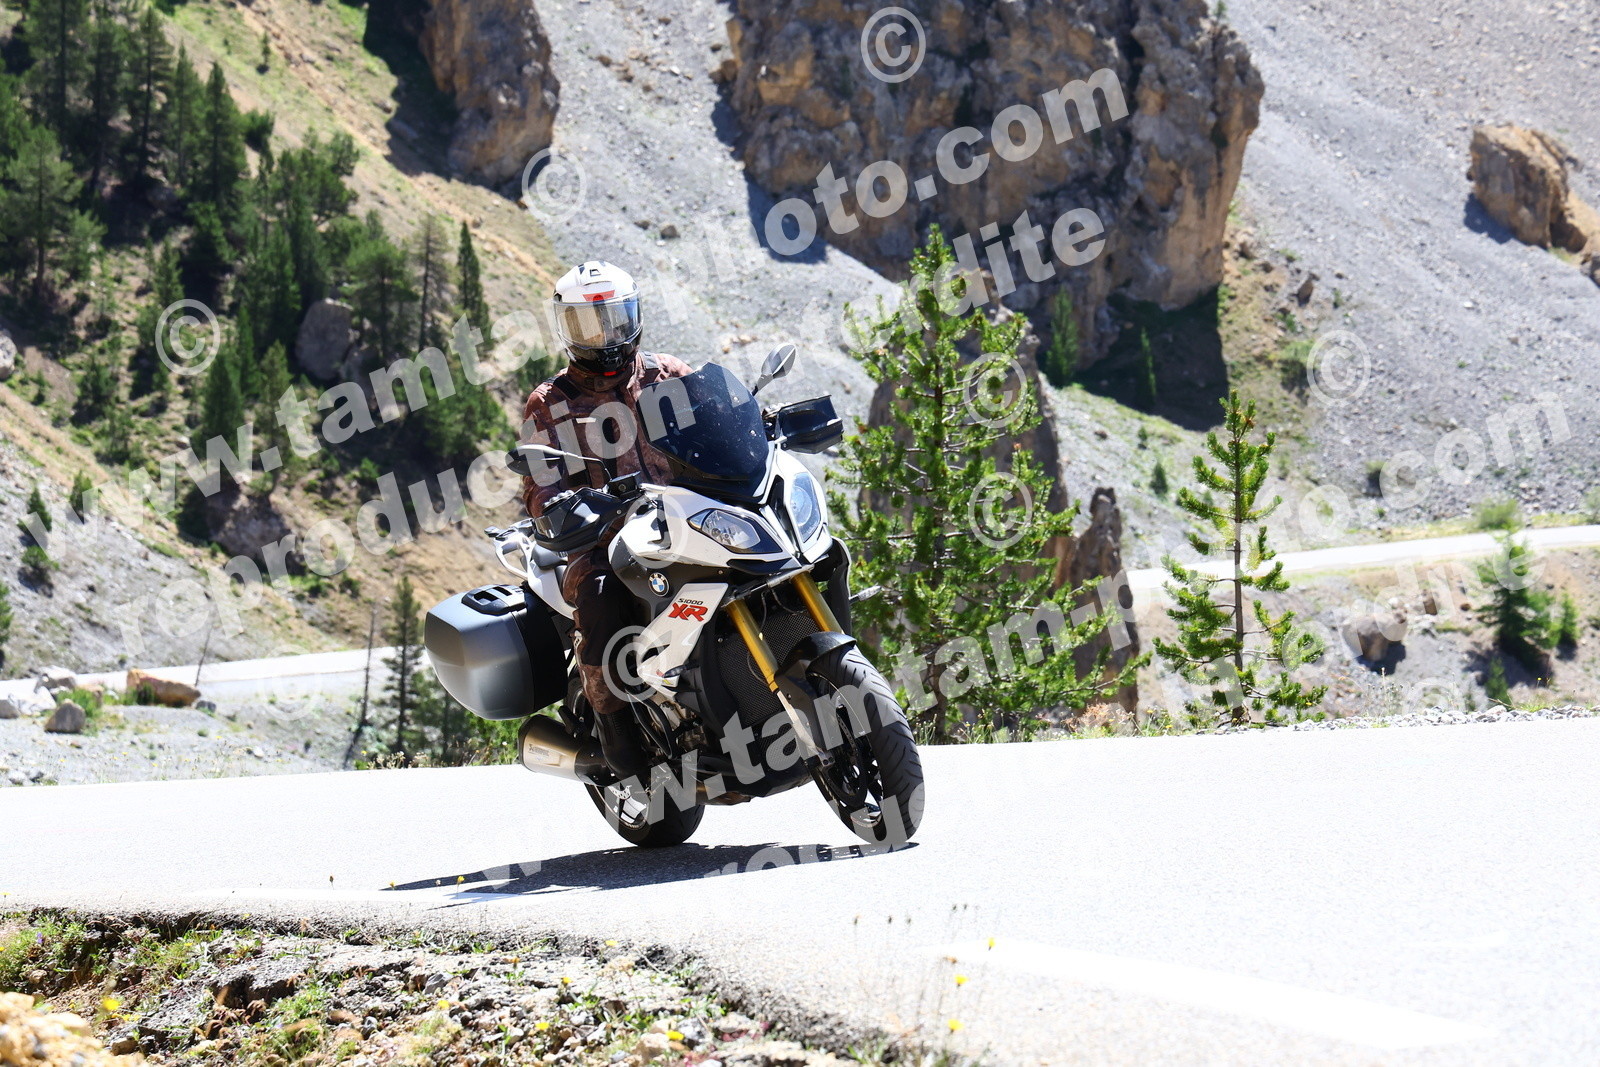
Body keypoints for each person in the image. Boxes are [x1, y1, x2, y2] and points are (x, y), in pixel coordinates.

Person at [519, 261, 692, 778]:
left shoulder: (666, 374)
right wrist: (559, 505)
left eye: (613, 319)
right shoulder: (552, 403)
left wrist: (756, 423)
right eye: (587, 325)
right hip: (601, 540)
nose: (604, 336)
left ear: (634, 314)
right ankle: (613, 725)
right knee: (599, 594)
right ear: (565, 329)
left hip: (685, 519)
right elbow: (539, 483)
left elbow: (718, 418)